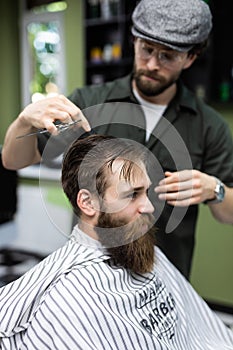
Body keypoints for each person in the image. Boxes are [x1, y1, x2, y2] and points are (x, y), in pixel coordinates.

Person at [2, 0, 233, 279]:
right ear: (134, 40)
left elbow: (228, 214)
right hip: (93, 275)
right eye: (146, 49)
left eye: (167, 56)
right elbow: (14, 160)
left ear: (191, 58)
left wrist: (216, 189)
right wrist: (24, 120)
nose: (151, 64)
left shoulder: (209, 126)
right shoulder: (90, 103)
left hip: (166, 278)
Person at [0, 134, 233, 350]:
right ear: (88, 203)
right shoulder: (69, 301)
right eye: (132, 194)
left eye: (146, 192)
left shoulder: (146, 252)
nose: (149, 207)